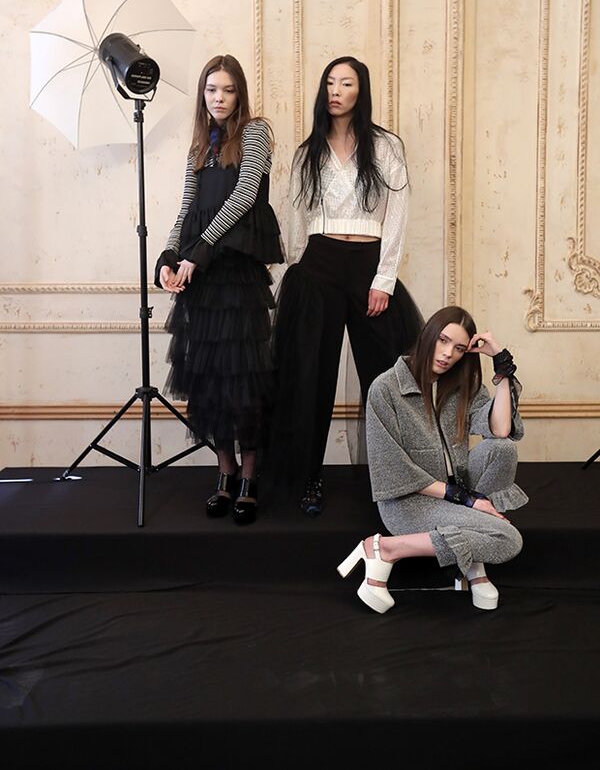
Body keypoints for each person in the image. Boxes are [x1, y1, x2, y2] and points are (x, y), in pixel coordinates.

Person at [269, 56, 423, 516]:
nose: (336, 91)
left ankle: (396, 481)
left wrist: (384, 279)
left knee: (384, 378)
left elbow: (397, 214)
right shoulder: (308, 151)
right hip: (318, 265)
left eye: (347, 83)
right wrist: (296, 274)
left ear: (361, 91)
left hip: (368, 265)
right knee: (310, 377)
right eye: (330, 83)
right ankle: (308, 478)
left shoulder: (386, 146)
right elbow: (297, 218)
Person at [155, 54, 283, 525]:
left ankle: (249, 477)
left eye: (228, 90)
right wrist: (169, 257)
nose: (219, 98)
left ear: (240, 93)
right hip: (202, 276)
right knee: (209, 382)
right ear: (203, 94)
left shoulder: (254, 132)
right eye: (212, 90)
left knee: (243, 381)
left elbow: (244, 196)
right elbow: (186, 208)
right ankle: (225, 473)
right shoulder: (199, 144)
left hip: (235, 272)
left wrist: (200, 252)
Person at [337, 305, 528, 612]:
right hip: (410, 501)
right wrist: (467, 500)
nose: (448, 354)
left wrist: (502, 366)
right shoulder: (386, 389)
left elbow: (501, 429)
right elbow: (392, 469)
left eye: (459, 348)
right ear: (428, 335)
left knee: (502, 449)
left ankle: (471, 555)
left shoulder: (462, 385)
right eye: (443, 340)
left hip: (458, 490)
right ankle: (387, 549)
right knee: (508, 540)